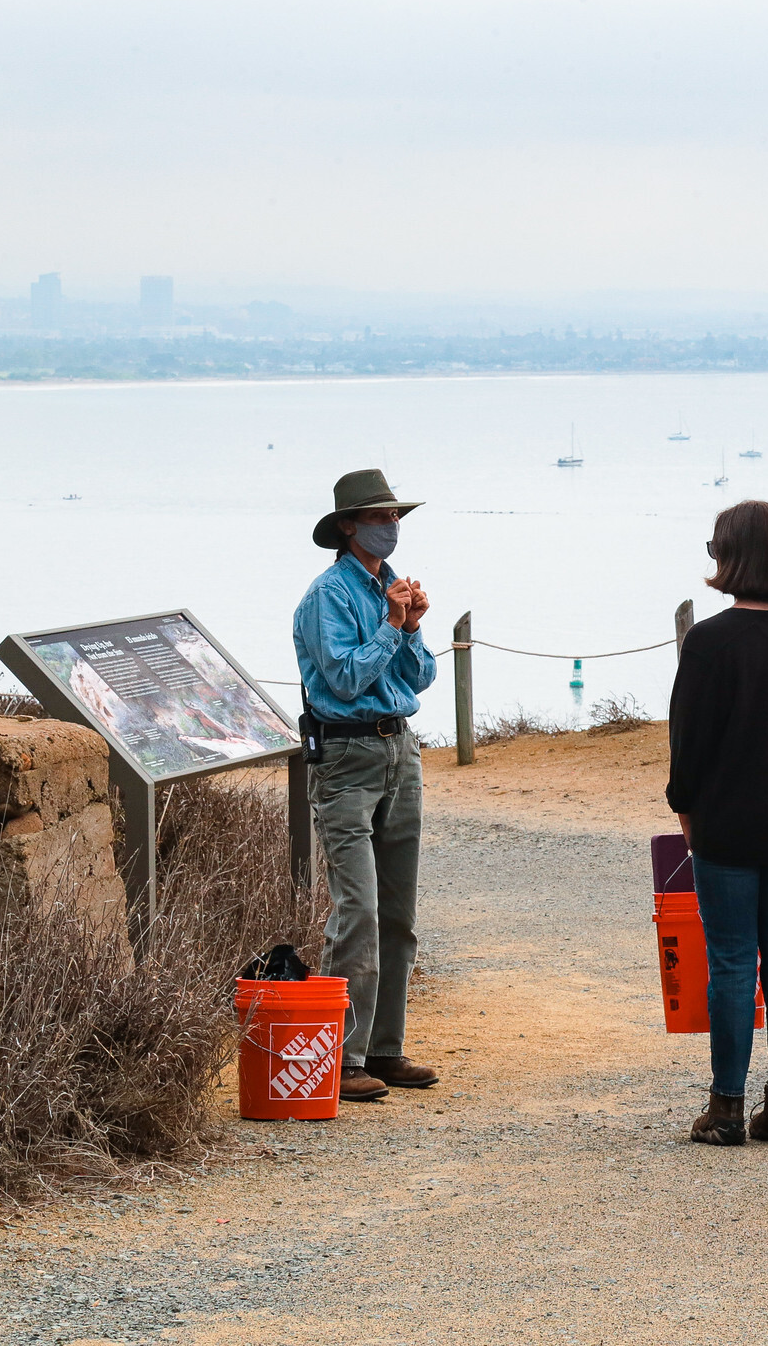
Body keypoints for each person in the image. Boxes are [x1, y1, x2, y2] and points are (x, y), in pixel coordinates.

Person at [665, 500, 768, 1147]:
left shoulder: (708, 640)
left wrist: (685, 812)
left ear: (730, 556)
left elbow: (689, 742)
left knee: (732, 960)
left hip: (725, 821)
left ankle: (726, 1105)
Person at [293, 469, 442, 1103]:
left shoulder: (387, 589)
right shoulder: (329, 596)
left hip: (396, 748)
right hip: (349, 754)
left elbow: (424, 675)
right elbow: (346, 680)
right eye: (380, 516)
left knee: (398, 910)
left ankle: (384, 1048)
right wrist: (389, 625)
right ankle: (342, 1056)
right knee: (357, 908)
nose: (392, 525)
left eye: (396, 515)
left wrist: (407, 628)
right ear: (349, 525)